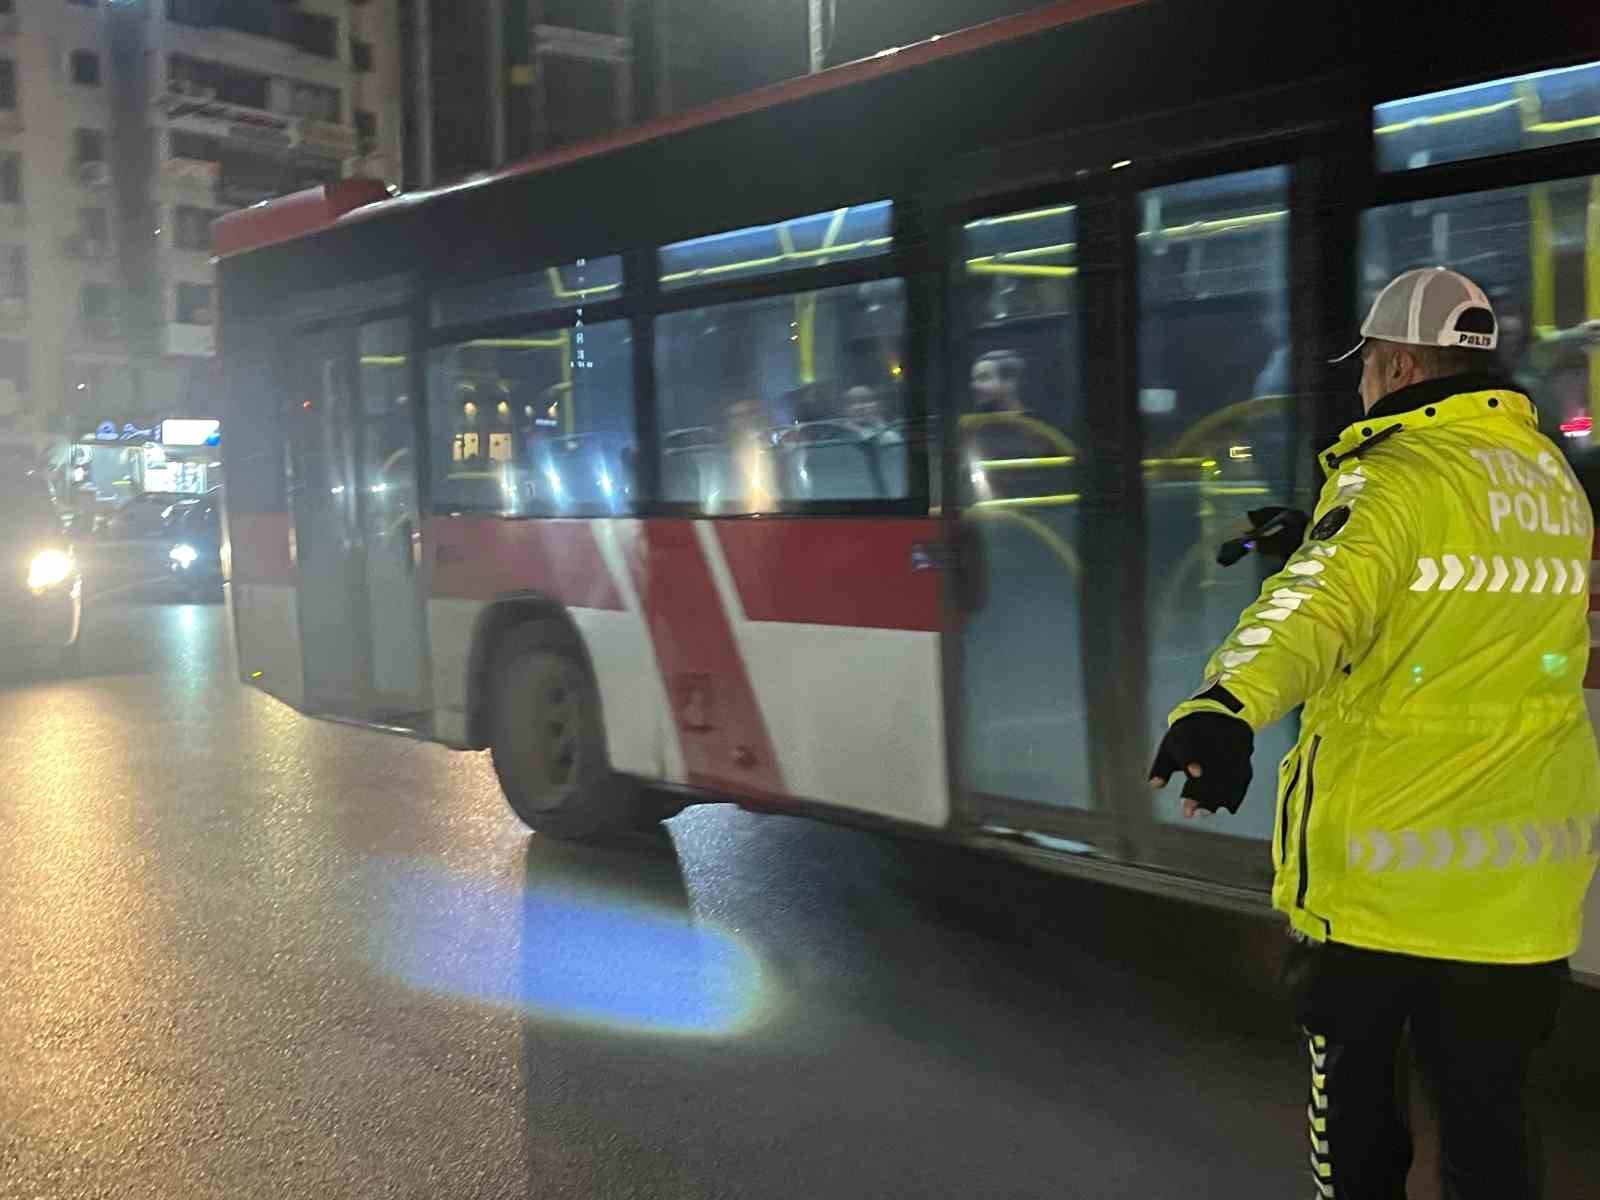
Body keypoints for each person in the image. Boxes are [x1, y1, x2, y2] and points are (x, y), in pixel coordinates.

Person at [1149, 267, 1598, 1200]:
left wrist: (1223, 707)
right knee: (1491, 1127)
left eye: (1363, 367)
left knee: (1357, 1134)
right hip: (1521, 882)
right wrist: (1320, 530)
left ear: (1396, 364)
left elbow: (1312, 610)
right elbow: (1449, 594)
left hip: (1380, 891)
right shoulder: (1551, 479)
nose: (1360, 384)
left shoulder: (1393, 476)